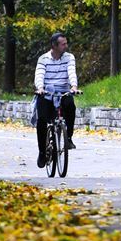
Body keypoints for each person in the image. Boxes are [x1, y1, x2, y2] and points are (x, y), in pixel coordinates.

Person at [34, 32, 79, 167]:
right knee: (41, 120)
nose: (66, 46)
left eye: (66, 43)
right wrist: (40, 88)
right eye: (63, 44)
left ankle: (68, 138)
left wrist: (74, 86)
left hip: (63, 91)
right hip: (46, 93)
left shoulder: (69, 57)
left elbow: (71, 71)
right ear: (54, 46)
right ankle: (42, 152)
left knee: (70, 105)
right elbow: (39, 75)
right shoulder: (44, 59)